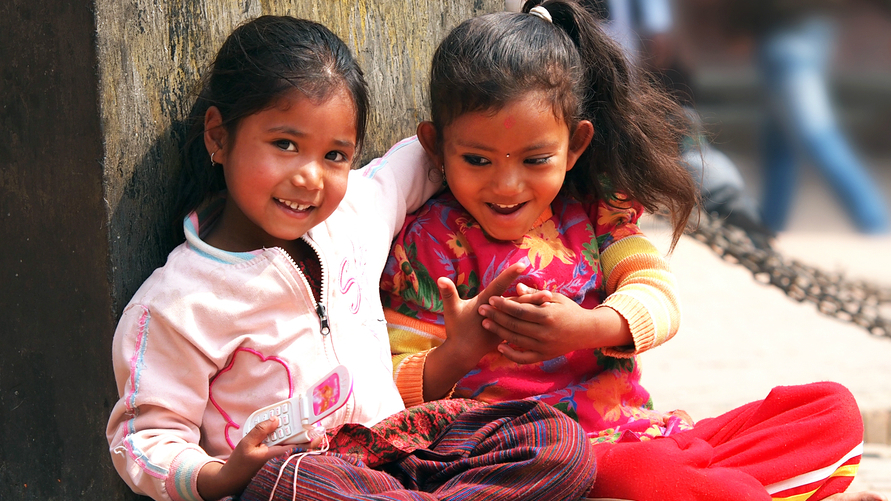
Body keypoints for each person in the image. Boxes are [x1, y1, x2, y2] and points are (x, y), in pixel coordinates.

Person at [381, 2, 881, 499]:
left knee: (831, 410)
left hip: (641, 433)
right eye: (477, 159)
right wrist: (458, 352)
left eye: (535, 160)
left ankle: (707, 485)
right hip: (541, 460)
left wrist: (588, 327)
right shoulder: (429, 244)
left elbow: (657, 296)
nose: (507, 184)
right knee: (658, 474)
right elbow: (390, 386)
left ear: (575, 145)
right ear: (436, 145)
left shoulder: (597, 213)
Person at [105, 15, 596, 501]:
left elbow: (443, 149)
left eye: (335, 155)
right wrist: (219, 476)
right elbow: (144, 438)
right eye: (285, 145)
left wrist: (535, 98)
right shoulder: (178, 304)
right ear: (218, 135)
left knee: (555, 439)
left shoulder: (355, 214)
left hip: (401, 450)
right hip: (308, 478)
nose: (310, 178)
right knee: (291, 482)